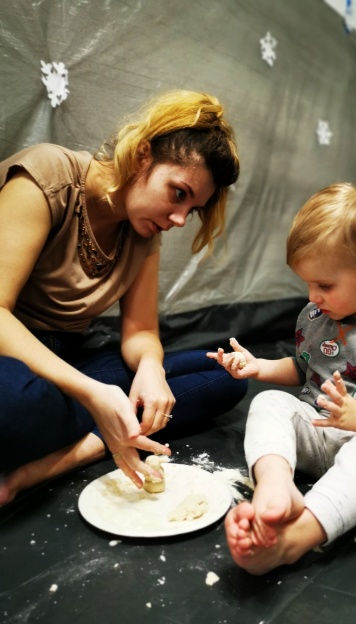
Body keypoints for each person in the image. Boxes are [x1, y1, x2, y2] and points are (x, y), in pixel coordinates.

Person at [0, 90, 247, 506]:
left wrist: (150, 368)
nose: (179, 219)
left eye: (192, 210)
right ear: (141, 156)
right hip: (13, 360)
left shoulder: (144, 230)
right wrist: (92, 393)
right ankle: (105, 420)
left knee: (226, 374)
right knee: (13, 408)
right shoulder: (47, 176)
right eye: (179, 193)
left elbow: (141, 330)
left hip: (72, 357)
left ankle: (70, 454)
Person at [208, 183, 356, 575]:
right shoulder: (316, 316)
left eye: (324, 285)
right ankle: (275, 487)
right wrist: (260, 367)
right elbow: (305, 368)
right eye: (307, 283)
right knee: (267, 401)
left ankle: (295, 538)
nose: (312, 296)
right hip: (317, 431)